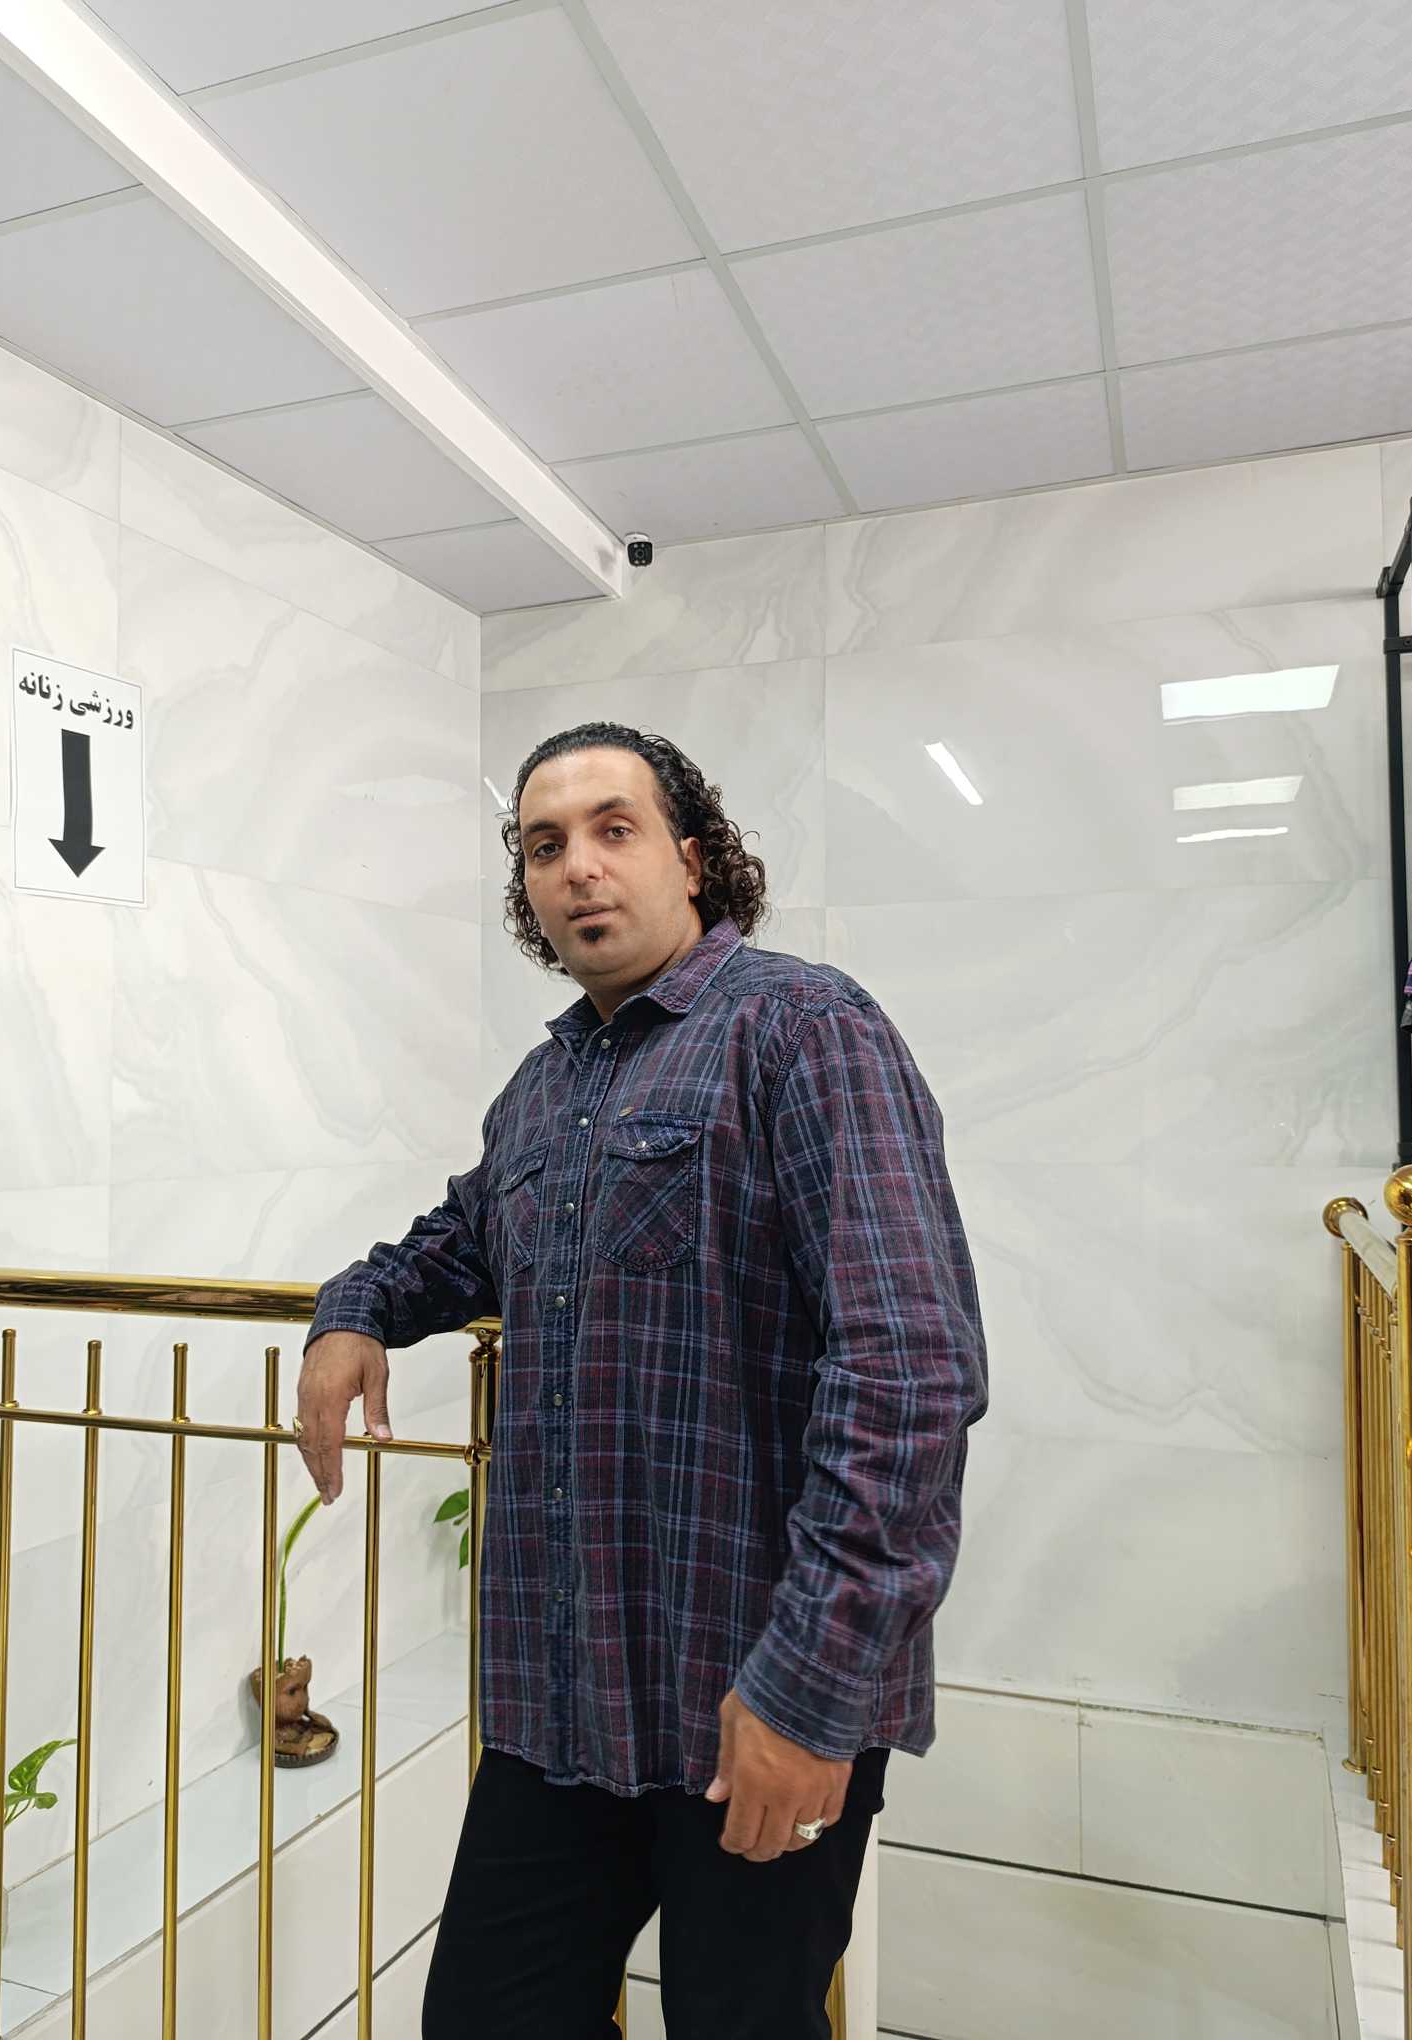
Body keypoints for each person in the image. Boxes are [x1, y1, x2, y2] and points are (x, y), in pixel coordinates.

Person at [295, 722, 987, 2040]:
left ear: (694, 857)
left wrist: (808, 1692)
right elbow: (457, 1245)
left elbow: (908, 1374)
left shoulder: (804, 1029)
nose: (578, 868)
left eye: (615, 829)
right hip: (564, 1706)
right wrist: (354, 1312)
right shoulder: (543, 1088)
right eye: (543, 845)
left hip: (753, 1697)